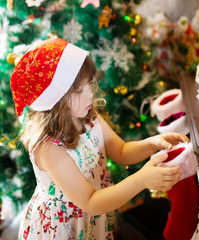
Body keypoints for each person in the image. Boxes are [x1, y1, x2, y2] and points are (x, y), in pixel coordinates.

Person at [10, 37, 189, 239]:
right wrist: (141, 179)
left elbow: (121, 151)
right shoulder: (48, 148)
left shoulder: (88, 118)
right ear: (53, 101)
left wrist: (152, 143)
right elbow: (90, 201)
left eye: (89, 85)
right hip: (64, 225)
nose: (90, 96)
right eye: (79, 90)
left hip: (92, 214)